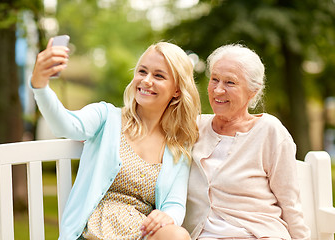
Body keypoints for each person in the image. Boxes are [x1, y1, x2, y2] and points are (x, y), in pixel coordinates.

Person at [31, 39, 201, 240]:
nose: (146, 80)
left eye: (159, 75)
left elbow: (175, 203)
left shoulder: (177, 146)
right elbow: (66, 125)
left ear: (177, 90)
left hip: (139, 233)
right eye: (142, 71)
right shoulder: (106, 117)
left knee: (177, 235)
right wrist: (40, 86)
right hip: (93, 233)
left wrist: (165, 216)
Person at [183, 44, 310, 240]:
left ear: (253, 91)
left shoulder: (269, 130)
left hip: (258, 234)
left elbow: (289, 202)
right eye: (214, 79)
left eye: (230, 83)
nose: (218, 90)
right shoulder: (194, 127)